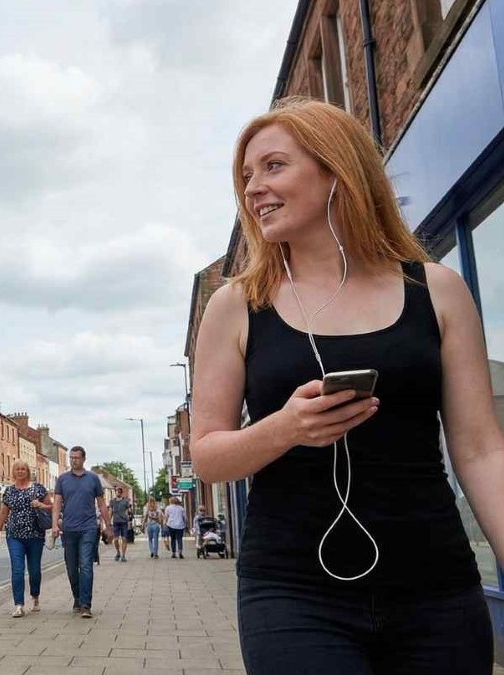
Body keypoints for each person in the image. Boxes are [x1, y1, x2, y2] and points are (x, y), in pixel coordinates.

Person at [192, 97, 504, 673]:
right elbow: (208, 457)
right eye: (246, 176)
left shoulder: (436, 290)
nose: (253, 188)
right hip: (293, 593)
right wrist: (285, 429)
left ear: (337, 170)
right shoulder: (237, 305)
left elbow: (483, 450)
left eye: (273, 166)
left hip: (436, 586)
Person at [51, 446, 112, 618]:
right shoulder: (62, 479)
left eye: (76, 458)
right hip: (69, 529)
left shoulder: (93, 479)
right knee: (71, 568)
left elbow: (101, 504)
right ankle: (77, 598)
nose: (73, 461)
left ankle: (86, 604)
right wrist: (55, 525)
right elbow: (57, 504)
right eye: (71, 458)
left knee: (85, 565)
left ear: (84, 459)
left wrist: (108, 526)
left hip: (88, 528)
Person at [0, 460, 52, 617]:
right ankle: (19, 605)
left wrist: (40, 505)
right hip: (14, 536)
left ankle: (35, 596)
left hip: (35, 535)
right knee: (17, 570)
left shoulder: (38, 488)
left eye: (23, 469)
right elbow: (3, 513)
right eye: (17, 469)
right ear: (14, 472)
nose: (20, 471)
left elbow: (52, 507)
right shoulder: (9, 491)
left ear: (27, 471)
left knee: (34, 571)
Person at [108, 486, 131, 562]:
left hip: (124, 522)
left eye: (120, 492)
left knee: (124, 539)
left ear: (121, 493)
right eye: (117, 491)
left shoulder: (125, 501)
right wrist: (109, 521)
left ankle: (123, 555)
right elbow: (110, 511)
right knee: (116, 540)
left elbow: (129, 511)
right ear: (115, 492)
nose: (118, 493)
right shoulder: (112, 501)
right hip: (116, 522)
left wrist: (128, 517)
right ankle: (118, 552)